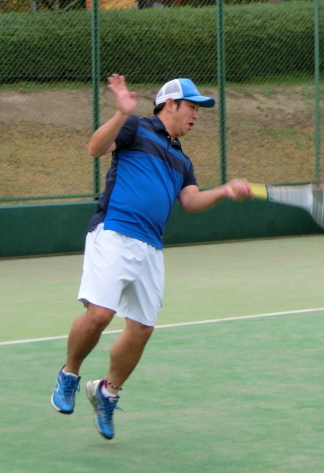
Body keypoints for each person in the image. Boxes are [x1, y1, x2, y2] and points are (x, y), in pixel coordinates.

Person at [51, 74, 253, 440]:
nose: (196, 115)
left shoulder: (182, 161)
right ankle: (69, 374)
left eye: (199, 109)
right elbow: (95, 148)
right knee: (100, 314)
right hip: (114, 231)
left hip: (150, 247)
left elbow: (191, 202)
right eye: (192, 107)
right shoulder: (135, 127)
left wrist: (225, 190)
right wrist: (120, 113)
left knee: (142, 329)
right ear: (170, 104)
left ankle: (107, 392)